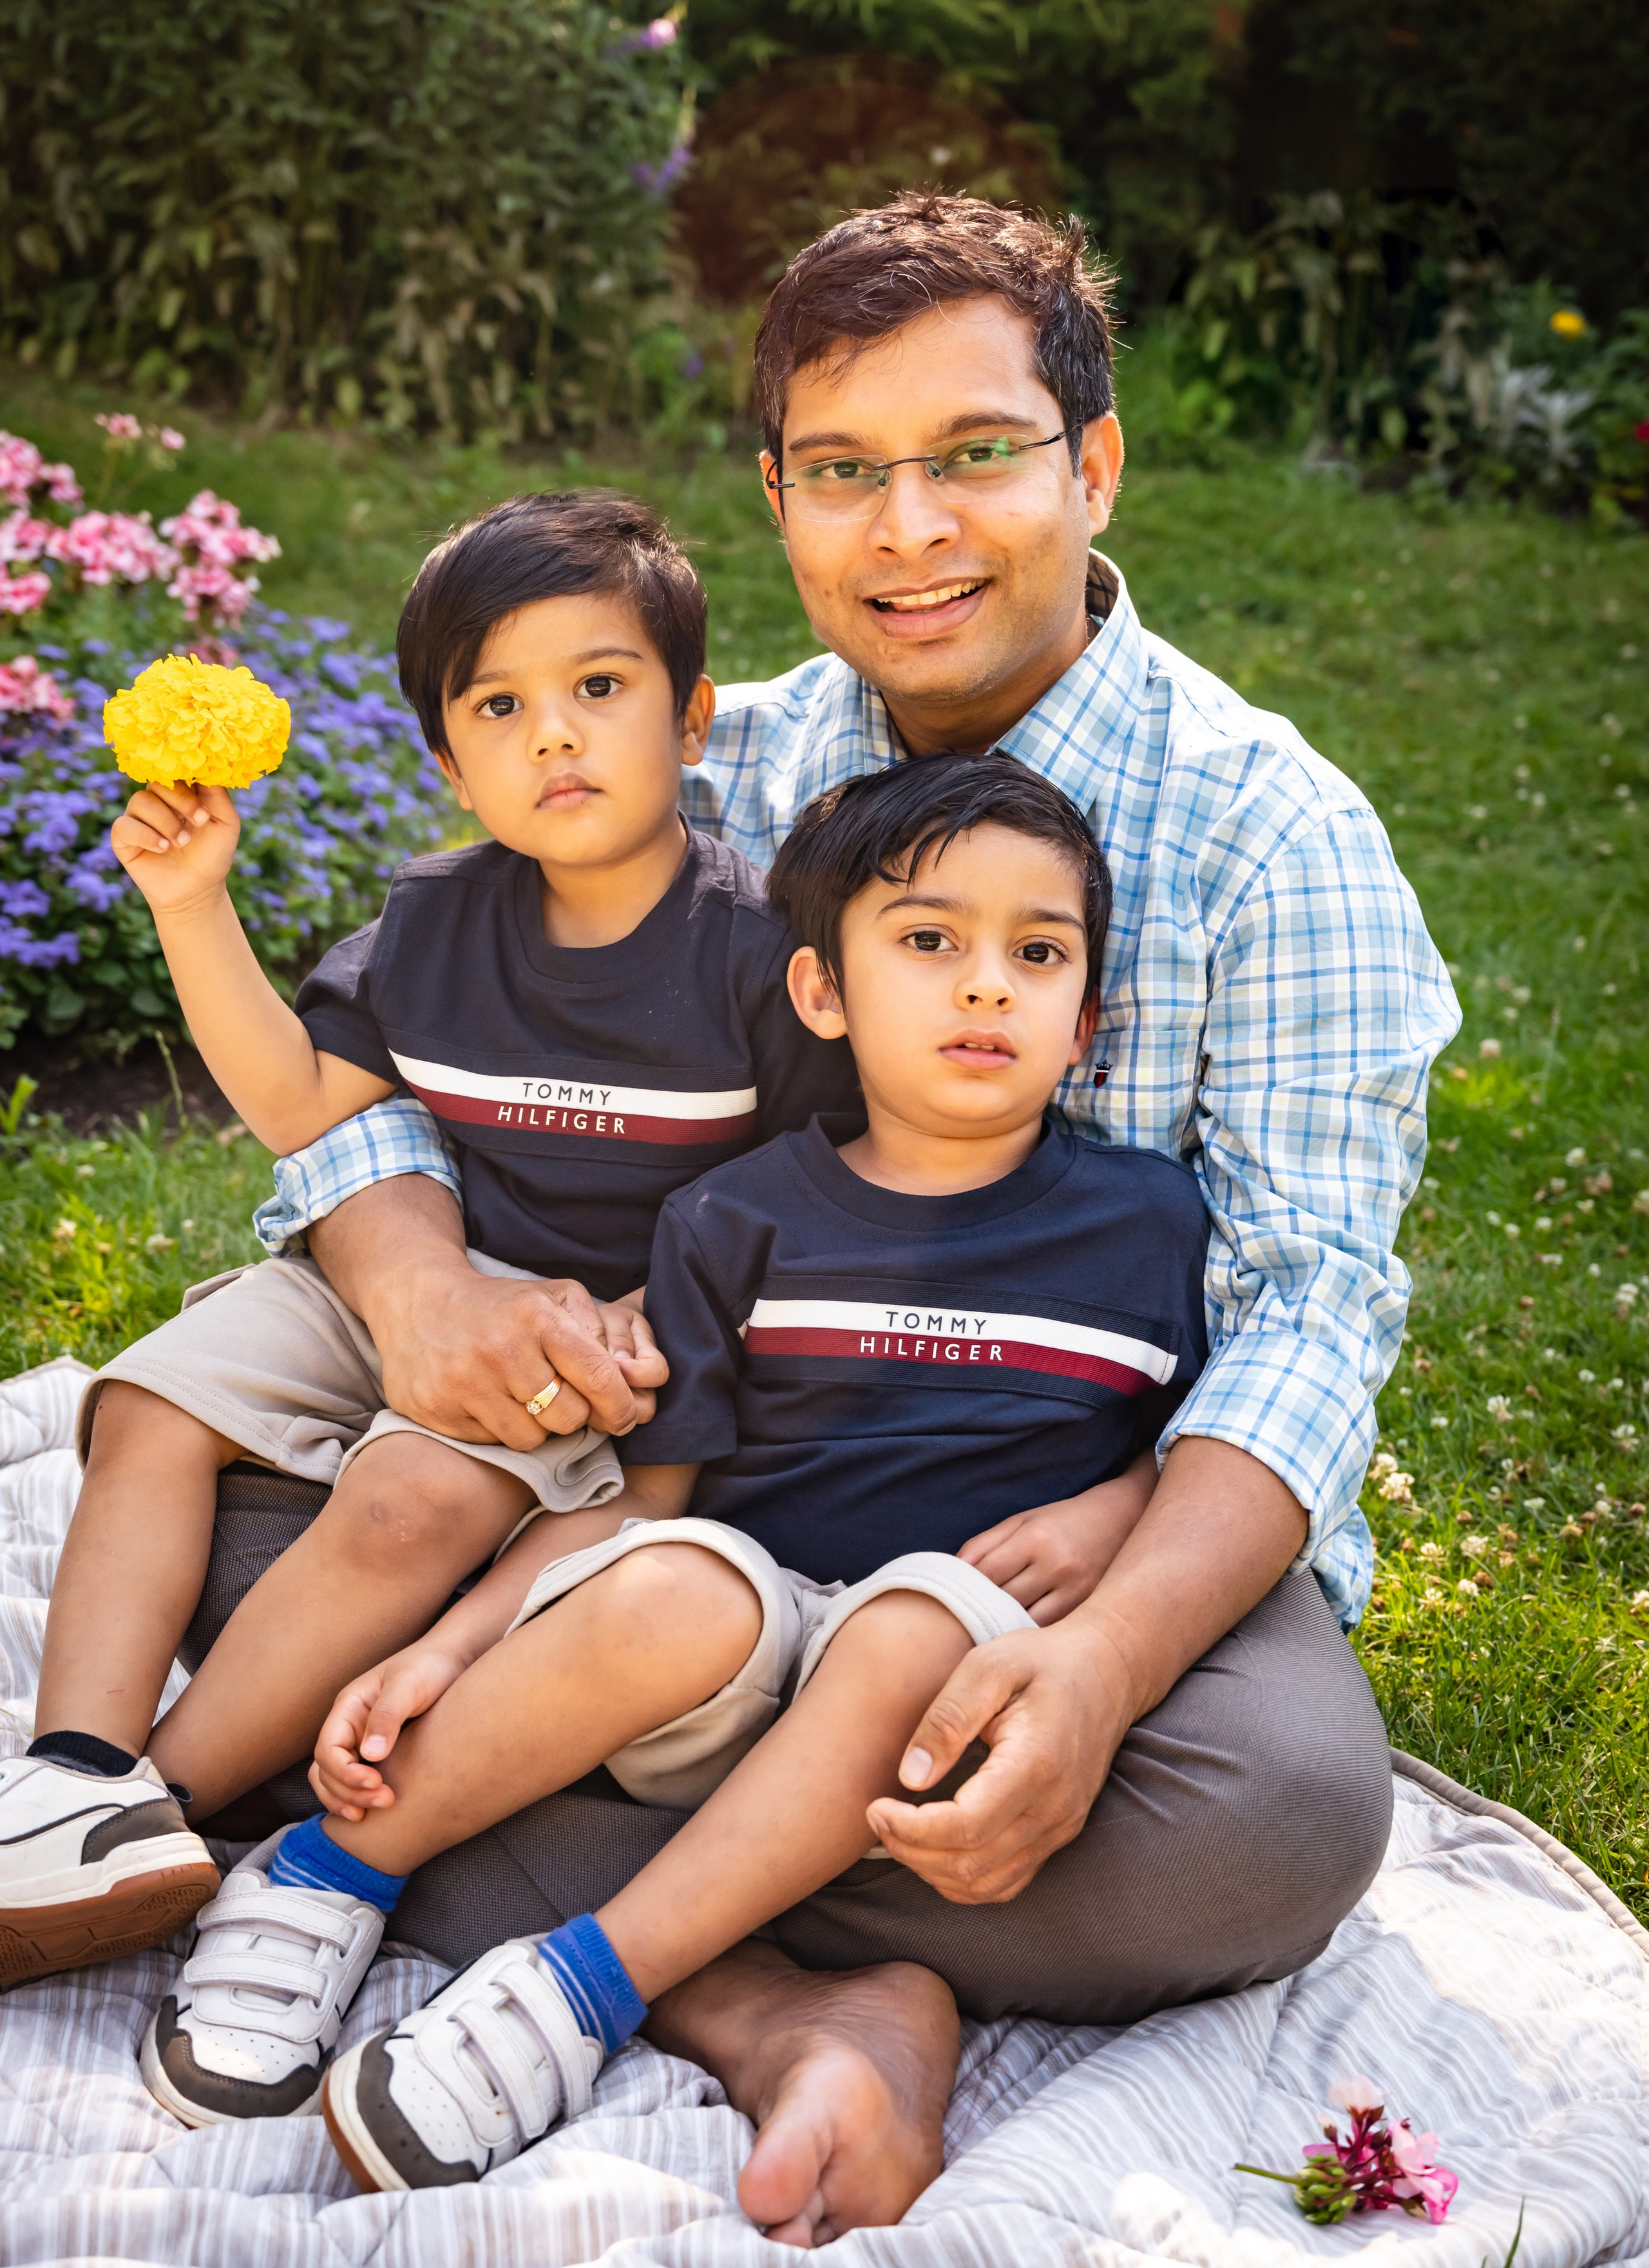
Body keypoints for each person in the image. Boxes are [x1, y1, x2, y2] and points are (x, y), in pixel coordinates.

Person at [109, 193, 1463, 2242]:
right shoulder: (707, 757)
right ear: (777, 499)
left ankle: (511, 1868)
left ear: (1091, 464)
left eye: (973, 455)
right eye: (845, 473)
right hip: (693, 1468)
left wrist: (1094, 1675)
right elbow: (420, 1043)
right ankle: (765, 1987)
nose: (908, 528)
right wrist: (420, 1275)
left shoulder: (1278, 838)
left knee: (1274, 1822)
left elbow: (1304, 1323)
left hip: (1060, 1509)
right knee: (303, 1537)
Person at [155, 756, 1209, 2220]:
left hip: (932, 1681)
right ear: (820, 997)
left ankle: (582, 1985)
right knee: (677, 1580)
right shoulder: (738, 1213)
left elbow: (1203, 1437)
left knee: (918, 1628)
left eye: (1035, 955)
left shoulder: (1147, 1220)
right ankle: (328, 1869)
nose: (985, 988)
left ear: (1083, 1020)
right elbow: (644, 1499)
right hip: (729, 1639)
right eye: (927, 942)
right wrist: (445, 1646)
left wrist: (1115, 1508)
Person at [1, 492, 859, 2001]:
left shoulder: (755, 956)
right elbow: (295, 1103)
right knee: (146, 1400)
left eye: (600, 687)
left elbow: (819, 1195)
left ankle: (165, 1811)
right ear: (449, 760)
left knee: (408, 1499)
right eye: (500, 705)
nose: (554, 736)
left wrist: (654, 1325)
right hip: (421, 1273)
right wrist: (189, 904)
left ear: (695, 719)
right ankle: (68, 1780)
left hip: (599, 1348)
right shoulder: (435, 920)